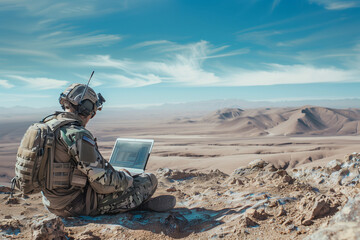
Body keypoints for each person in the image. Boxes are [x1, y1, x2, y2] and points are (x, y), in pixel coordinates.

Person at [40, 83, 175, 217]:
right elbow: (102, 184)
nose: (90, 117)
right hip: (75, 205)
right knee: (148, 180)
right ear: (85, 109)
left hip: (51, 203)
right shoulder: (77, 135)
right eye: (92, 112)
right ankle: (138, 206)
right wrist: (126, 177)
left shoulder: (47, 127)